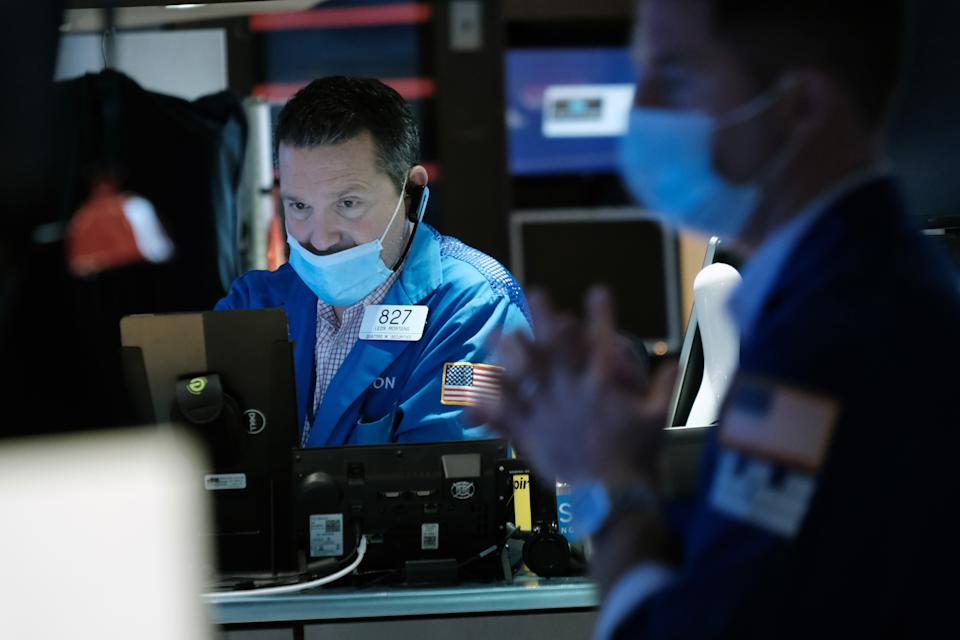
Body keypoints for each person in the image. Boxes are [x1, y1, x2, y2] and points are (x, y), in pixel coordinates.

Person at [479, 1, 960, 638]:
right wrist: (645, 466)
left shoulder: (830, 331)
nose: (641, 103)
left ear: (801, 108)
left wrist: (610, 485)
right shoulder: (846, 288)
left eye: (673, 77)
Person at [218, 76, 530, 447]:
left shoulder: (473, 309)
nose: (321, 239)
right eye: (299, 206)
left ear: (411, 191)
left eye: (348, 204)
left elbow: (454, 483)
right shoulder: (255, 303)